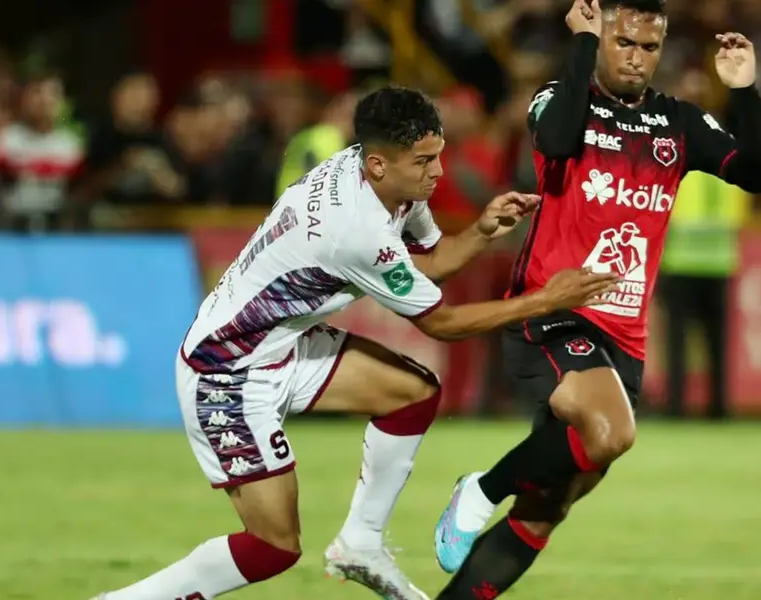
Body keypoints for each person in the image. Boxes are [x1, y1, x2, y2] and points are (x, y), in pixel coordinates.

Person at [93, 86, 618, 600]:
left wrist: (481, 231)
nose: (438, 172)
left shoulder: (390, 183)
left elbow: (427, 265)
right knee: (273, 547)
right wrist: (547, 300)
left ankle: (360, 544)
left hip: (283, 344)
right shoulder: (352, 228)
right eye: (424, 162)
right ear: (379, 165)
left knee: (412, 393)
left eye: (438, 156)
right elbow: (442, 322)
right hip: (227, 370)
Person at [432, 0, 761, 597]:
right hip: (552, 310)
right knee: (614, 432)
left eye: (648, 48)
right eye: (622, 43)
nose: (636, 58)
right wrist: (581, 48)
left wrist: (745, 91)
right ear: (600, 39)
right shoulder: (560, 100)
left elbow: (756, 173)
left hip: (625, 334)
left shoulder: (678, 123)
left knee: (545, 510)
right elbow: (558, 140)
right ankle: (481, 489)